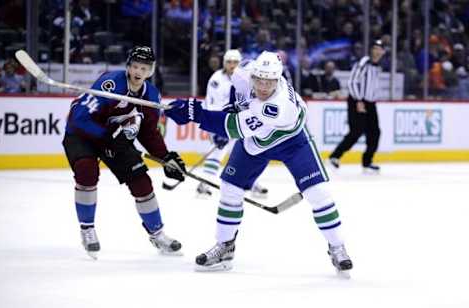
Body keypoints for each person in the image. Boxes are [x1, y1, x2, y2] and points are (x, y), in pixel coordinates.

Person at [165, 51, 353, 275]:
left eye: (270, 82)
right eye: (260, 81)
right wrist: (233, 108)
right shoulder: (242, 72)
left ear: (278, 80)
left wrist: (192, 112)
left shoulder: (277, 106)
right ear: (252, 75)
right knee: (230, 189)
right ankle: (225, 247)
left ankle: (337, 247)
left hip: (293, 142)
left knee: (318, 192)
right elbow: (237, 95)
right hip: (256, 142)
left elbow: (234, 127)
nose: (264, 87)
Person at [62, 46, 186, 259]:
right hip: (82, 133)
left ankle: (157, 233)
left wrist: (165, 157)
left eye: (144, 68)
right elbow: (78, 118)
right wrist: (107, 138)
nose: (138, 71)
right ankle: (87, 229)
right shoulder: (110, 83)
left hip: (113, 137)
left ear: (150, 71)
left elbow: (148, 133)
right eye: (135, 66)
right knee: (86, 171)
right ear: (128, 66)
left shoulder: (151, 95)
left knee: (141, 180)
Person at [196, 49, 268, 198]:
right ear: (224, 63)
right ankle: (204, 183)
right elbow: (212, 104)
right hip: (222, 120)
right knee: (218, 151)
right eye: (229, 62)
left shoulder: (246, 78)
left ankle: (252, 183)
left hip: (242, 121)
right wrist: (220, 127)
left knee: (250, 152)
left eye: (235, 62)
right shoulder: (216, 79)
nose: (232, 65)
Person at [328, 40, 386, 173]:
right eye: (375, 48)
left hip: (370, 103)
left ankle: (367, 162)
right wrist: (359, 100)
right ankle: (334, 157)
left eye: (379, 49)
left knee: (375, 133)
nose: (377, 51)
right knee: (357, 130)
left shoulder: (378, 66)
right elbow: (353, 81)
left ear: (383, 52)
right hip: (357, 100)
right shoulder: (363, 62)